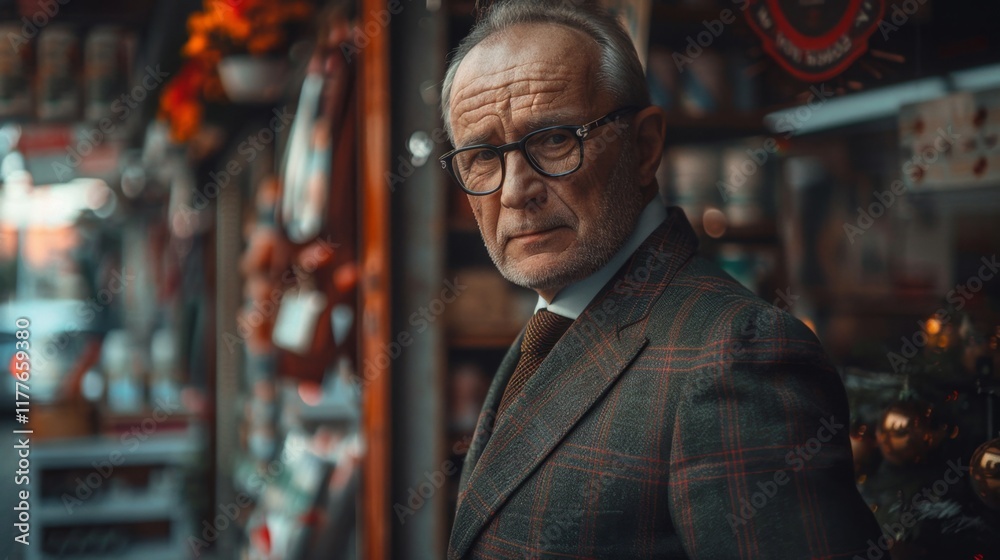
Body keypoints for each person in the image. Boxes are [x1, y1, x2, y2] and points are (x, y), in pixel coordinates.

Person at [438, 1, 882, 558]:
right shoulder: (553, 326)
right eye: (482, 155)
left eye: (554, 139)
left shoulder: (737, 356)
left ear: (645, 147)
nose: (512, 191)